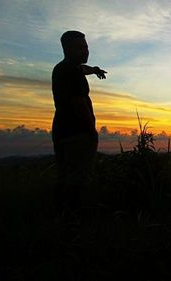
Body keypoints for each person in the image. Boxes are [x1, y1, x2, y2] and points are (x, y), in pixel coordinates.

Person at [51, 30, 107, 214]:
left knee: (64, 177)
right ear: (68, 49)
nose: (86, 51)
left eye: (86, 47)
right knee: (78, 180)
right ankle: (74, 221)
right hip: (78, 133)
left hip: (62, 131)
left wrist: (94, 70)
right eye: (81, 47)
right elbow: (78, 103)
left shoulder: (65, 68)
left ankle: (60, 217)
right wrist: (91, 130)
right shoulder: (70, 71)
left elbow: (83, 69)